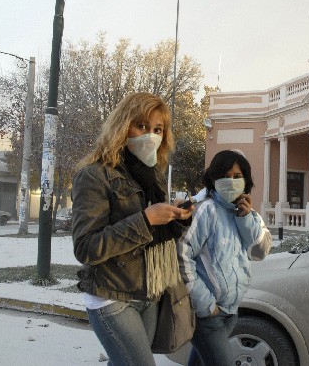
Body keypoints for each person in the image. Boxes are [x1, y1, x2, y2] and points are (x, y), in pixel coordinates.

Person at [71, 92, 194, 366]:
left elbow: (157, 235)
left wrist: (177, 219)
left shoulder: (154, 176)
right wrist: (146, 219)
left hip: (148, 293)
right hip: (111, 297)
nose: (149, 135)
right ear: (122, 125)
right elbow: (86, 248)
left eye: (157, 129)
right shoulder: (94, 175)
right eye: (141, 126)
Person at [178, 149, 272, 366]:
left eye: (237, 177)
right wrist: (206, 305)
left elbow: (260, 251)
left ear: (245, 180)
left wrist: (246, 218)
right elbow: (182, 255)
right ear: (213, 180)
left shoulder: (247, 214)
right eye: (225, 176)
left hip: (230, 312)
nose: (231, 181)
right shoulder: (207, 211)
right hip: (208, 316)